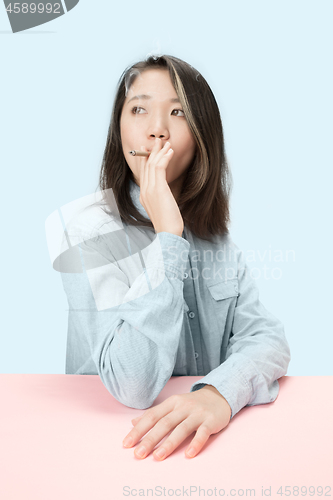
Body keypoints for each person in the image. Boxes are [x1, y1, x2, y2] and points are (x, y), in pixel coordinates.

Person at [56, 54, 291, 461]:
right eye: (139, 109)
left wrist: (220, 393)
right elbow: (133, 384)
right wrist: (168, 236)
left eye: (177, 111)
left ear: (201, 134)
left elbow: (268, 338)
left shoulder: (216, 238)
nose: (157, 130)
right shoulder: (87, 233)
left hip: (207, 450)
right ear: (120, 131)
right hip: (108, 451)